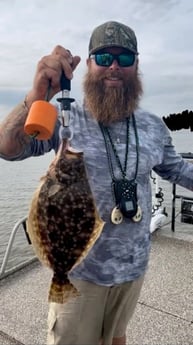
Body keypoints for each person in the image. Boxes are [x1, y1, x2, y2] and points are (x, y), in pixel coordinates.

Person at [0, 20, 193, 345]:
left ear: (137, 65)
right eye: (104, 58)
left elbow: (177, 170)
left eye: (125, 58)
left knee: (117, 337)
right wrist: (36, 96)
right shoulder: (64, 118)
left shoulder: (153, 126)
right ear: (88, 65)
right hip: (79, 272)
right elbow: (7, 147)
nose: (114, 66)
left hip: (133, 267)